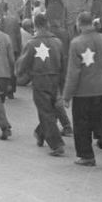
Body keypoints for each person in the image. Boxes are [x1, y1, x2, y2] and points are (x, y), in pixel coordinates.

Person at [62, 11, 102, 167]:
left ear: (79, 24)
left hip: (83, 91)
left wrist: (67, 96)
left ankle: (86, 156)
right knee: (99, 117)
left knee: (81, 124)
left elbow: (73, 72)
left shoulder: (76, 43)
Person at [15, 13, 66, 156]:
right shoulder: (58, 42)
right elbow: (64, 63)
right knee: (52, 109)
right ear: (47, 23)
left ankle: (56, 145)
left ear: (35, 25)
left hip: (40, 80)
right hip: (55, 79)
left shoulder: (32, 43)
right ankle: (40, 133)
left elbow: (22, 64)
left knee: (45, 112)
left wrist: (18, 73)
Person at [49, 11, 74, 137]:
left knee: (53, 99)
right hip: (64, 68)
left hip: (52, 69)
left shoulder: (49, 34)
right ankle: (64, 125)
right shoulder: (65, 32)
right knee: (56, 98)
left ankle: (64, 126)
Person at [0, 1, 22, 99]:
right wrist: (19, 48)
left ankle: (4, 89)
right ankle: (11, 91)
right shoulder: (14, 20)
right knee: (12, 69)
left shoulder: (1, 21)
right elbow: (18, 35)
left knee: (4, 69)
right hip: (14, 47)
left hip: (4, 48)